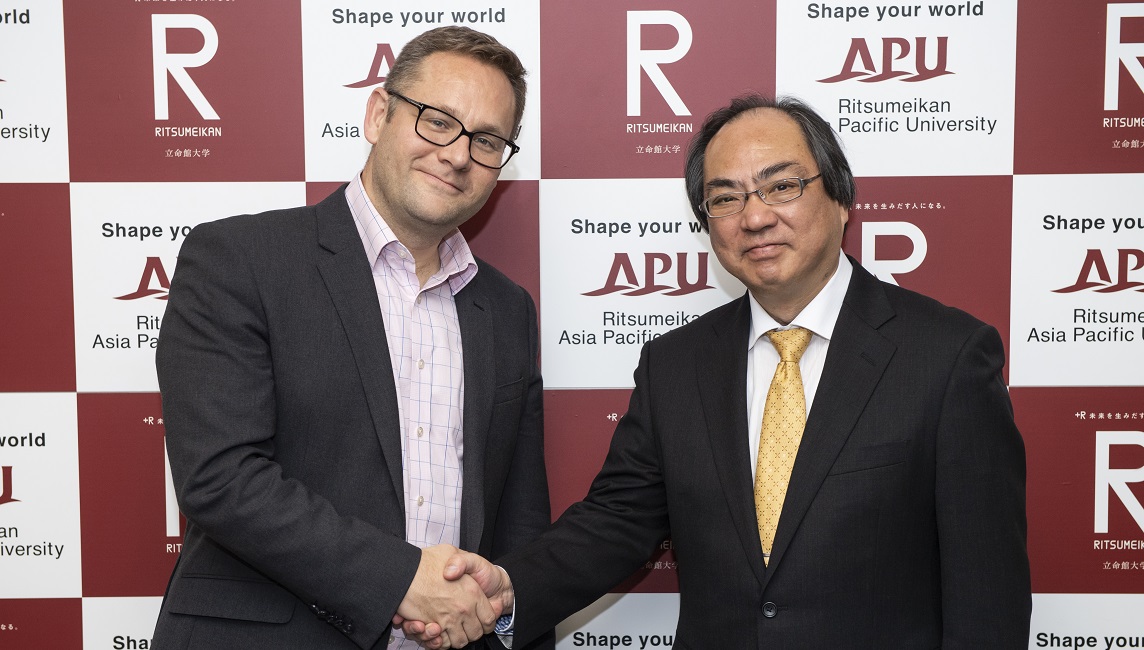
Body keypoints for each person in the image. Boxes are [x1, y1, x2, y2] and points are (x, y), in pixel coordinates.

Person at [409, 94, 1031, 649]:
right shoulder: (676, 364)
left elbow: (987, 595)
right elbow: (618, 521)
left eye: (781, 187)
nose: (754, 218)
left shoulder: (947, 356)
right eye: (725, 198)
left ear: (842, 197)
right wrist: (507, 587)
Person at [153, 26, 552, 650]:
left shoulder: (506, 308)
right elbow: (220, 476)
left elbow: (519, 516)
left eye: (487, 140)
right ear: (377, 114)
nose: (457, 154)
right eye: (438, 121)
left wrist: (506, 614)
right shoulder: (238, 260)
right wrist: (401, 579)